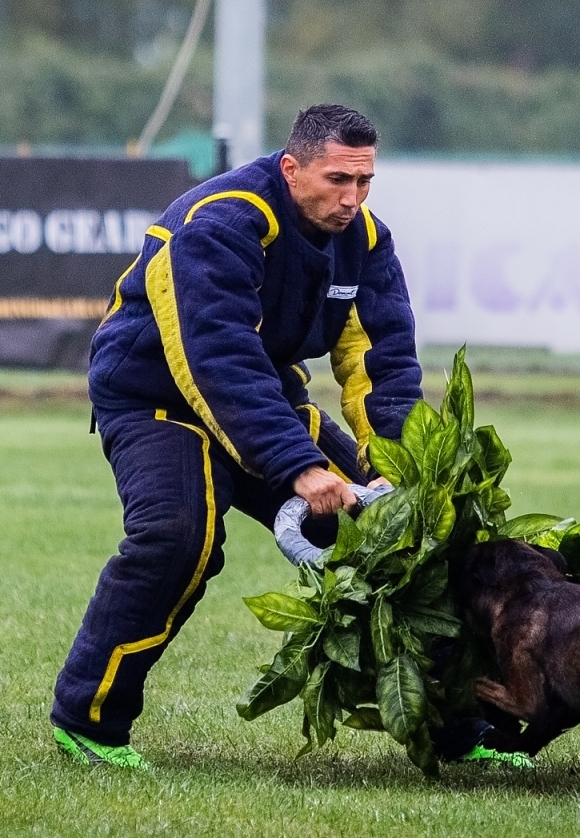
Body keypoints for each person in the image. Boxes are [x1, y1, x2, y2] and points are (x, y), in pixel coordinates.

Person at [50, 104, 526, 770]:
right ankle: (89, 722)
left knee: (405, 537)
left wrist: (395, 466)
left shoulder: (364, 240)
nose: (351, 198)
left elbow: (380, 361)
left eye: (364, 182)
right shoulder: (217, 223)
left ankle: (460, 732)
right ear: (291, 167)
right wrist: (300, 467)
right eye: (337, 179)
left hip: (263, 397)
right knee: (177, 539)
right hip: (156, 397)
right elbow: (215, 357)